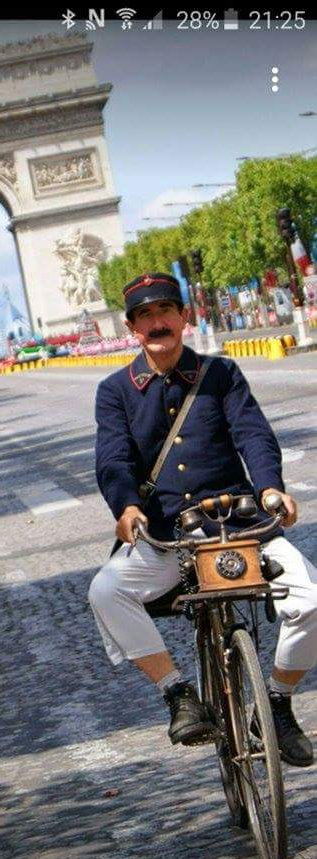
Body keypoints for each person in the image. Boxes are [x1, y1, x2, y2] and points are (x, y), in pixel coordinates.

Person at [88, 272, 316, 767]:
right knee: (105, 591)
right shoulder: (114, 392)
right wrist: (126, 507)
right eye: (145, 316)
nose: (157, 323)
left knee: (313, 600)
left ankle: (276, 704)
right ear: (132, 328)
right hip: (167, 535)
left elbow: (253, 434)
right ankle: (178, 694)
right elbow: (112, 460)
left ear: (185, 318)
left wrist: (271, 487)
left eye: (165, 311)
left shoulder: (222, 375)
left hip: (239, 524)